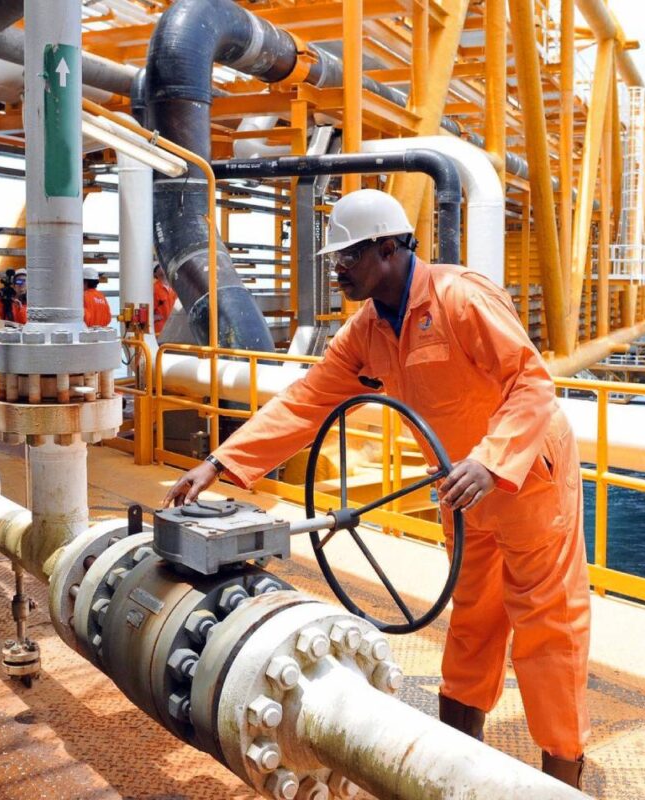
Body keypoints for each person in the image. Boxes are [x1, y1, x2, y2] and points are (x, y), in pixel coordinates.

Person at [163, 189, 591, 788]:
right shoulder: (368, 330)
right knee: (472, 624)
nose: (336, 269)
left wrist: (490, 462)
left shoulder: (460, 298)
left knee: (547, 632)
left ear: (387, 249)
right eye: (335, 258)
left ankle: (563, 780)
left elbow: (532, 384)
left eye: (347, 257)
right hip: (465, 493)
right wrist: (218, 462)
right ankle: (455, 772)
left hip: (528, 483)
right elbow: (307, 401)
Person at [153, 264, 177, 334]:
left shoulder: (174, 287)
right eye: (158, 267)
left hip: (173, 326)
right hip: (160, 329)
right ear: (155, 274)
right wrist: (153, 317)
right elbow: (148, 308)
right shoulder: (154, 289)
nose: (162, 269)